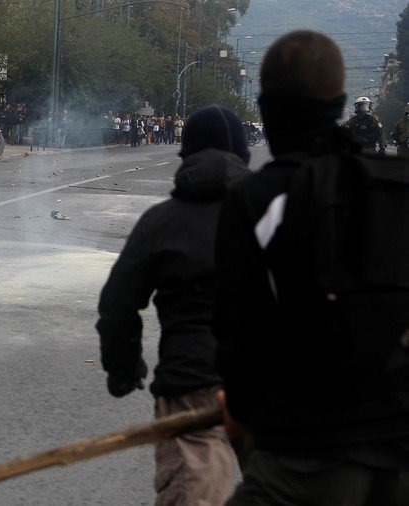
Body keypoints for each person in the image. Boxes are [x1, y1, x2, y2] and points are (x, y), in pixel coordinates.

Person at [213, 30, 409, 505]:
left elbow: (238, 335)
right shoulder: (397, 188)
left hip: (308, 454)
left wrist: (239, 410)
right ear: (342, 103)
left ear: (266, 108)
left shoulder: (257, 198)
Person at [97, 105, 250, 506]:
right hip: (269, 383)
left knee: (193, 493)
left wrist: (123, 366)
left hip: (192, 383)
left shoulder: (162, 221)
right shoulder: (274, 213)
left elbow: (118, 303)